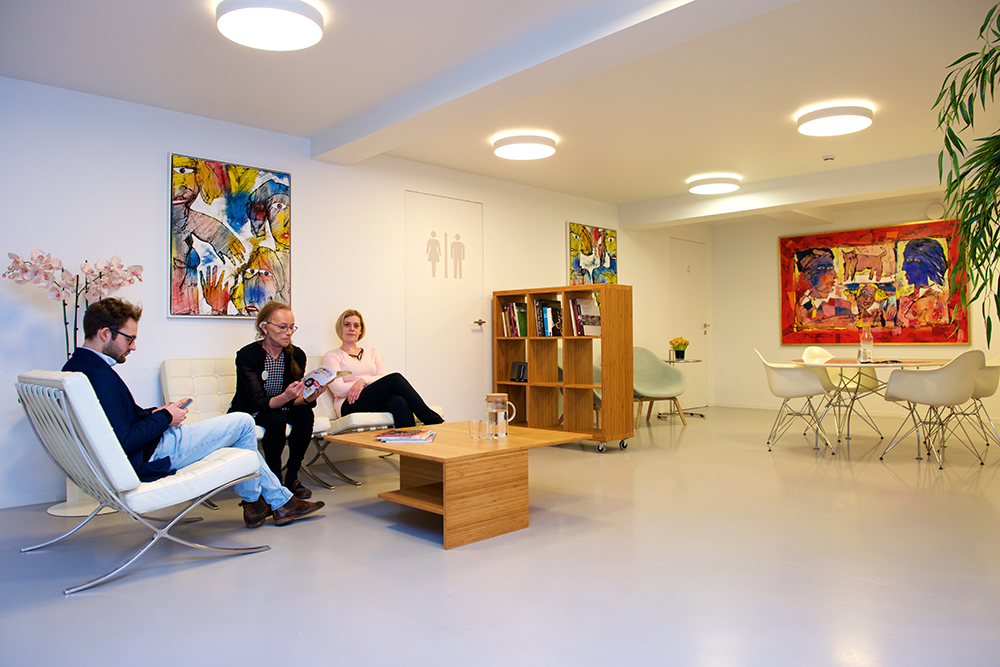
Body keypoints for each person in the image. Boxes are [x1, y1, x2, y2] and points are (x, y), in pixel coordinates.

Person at [63, 298, 324, 528]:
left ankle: (265, 504)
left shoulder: (77, 367)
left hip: (150, 445)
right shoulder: (100, 376)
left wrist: (155, 412)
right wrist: (166, 418)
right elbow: (125, 440)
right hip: (153, 453)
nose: (132, 347)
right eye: (129, 339)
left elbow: (119, 420)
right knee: (243, 422)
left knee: (246, 432)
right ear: (105, 333)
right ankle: (266, 502)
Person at [229, 301, 315, 500]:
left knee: (305, 415)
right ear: (265, 327)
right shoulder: (247, 355)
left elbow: (294, 400)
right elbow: (258, 402)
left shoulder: (296, 355)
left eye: (291, 327)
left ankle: (292, 476)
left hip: (281, 406)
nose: (288, 332)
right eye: (282, 327)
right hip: (252, 410)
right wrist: (287, 396)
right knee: (275, 418)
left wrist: (310, 396)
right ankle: (275, 480)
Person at [322, 309, 444, 427]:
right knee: (395, 378)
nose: (351, 329)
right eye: (347, 325)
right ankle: (432, 420)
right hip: (349, 404)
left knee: (399, 400)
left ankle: (409, 443)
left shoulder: (373, 352)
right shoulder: (332, 355)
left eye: (356, 326)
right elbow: (338, 389)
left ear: (361, 331)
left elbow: (382, 378)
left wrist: (363, 381)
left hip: (374, 400)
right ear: (340, 328)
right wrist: (361, 384)